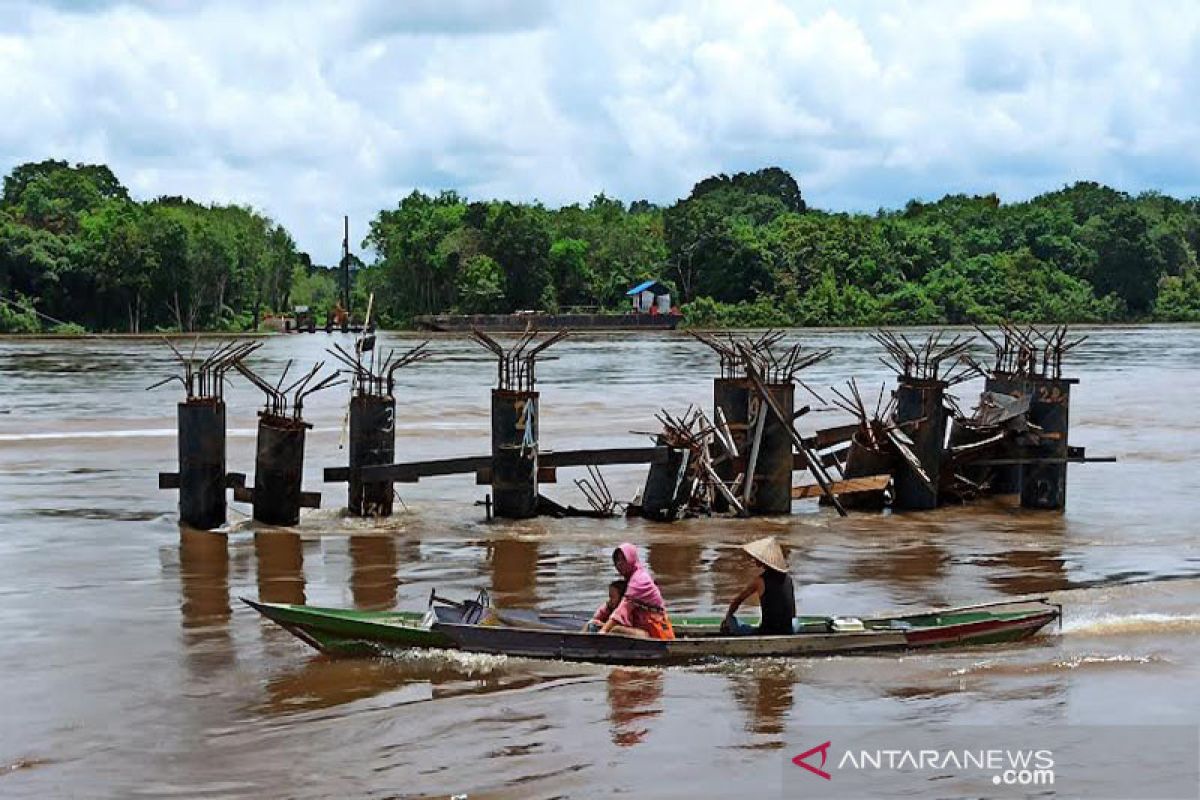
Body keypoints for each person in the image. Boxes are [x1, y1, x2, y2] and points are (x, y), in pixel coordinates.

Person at [595, 543, 675, 640]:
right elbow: (612, 603)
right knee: (596, 624)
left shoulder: (640, 579)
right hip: (642, 628)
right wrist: (596, 619)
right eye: (617, 560)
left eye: (623, 559)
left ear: (631, 559)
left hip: (656, 632)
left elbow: (623, 609)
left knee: (615, 630)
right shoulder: (630, 579)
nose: (619, 563)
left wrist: (603, 630)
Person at [722, 536, 796, 636]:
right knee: (796, 622)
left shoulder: (760, 581)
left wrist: (728, 617)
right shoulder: (788, 578)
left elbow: (738, 600)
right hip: (788, 630)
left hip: (767, 632)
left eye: (756, 557)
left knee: (731, 622)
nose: (754, 559)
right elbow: (792, 611)